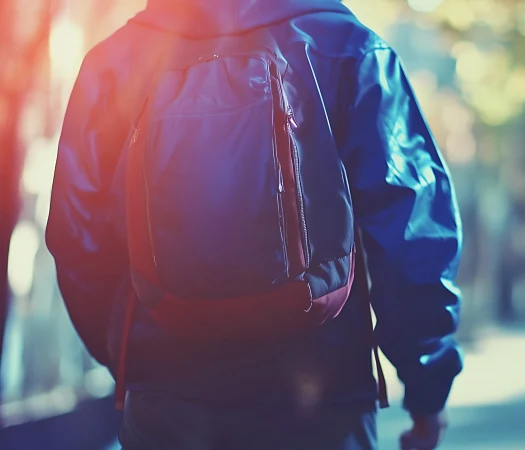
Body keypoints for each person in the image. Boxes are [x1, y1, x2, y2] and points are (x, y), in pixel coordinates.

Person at [45, 1, 464, 449]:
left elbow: (76, 236)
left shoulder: (115, 61)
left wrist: (131, 356)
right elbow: (411, 225)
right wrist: (427, 384)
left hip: (169, 396)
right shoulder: (348, 48)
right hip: (324, 397)